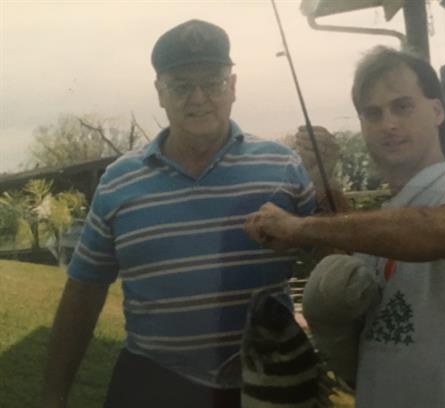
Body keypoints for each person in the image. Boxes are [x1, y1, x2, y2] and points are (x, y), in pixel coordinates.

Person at [42, 19, 317, 408]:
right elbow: (83, 292)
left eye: (213, 83)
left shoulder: (283, 166)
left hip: (267, 382)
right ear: (160, 93)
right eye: (182, 86)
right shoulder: (118, 182)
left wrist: (328, 189)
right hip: (153, 384)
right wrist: (54, 396)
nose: (198, 98)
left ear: (233, 86)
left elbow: (332, 259)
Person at [245, 46, 445, 407]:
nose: (388, 123)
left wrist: (299, 228)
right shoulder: (391, 216)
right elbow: (351, 269)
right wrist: (323, 180)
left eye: (402, 106)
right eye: (372, 113)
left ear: (437, 111)